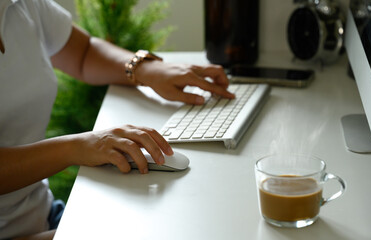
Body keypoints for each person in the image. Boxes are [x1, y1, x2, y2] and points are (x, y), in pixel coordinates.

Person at [0, 0, 234, 239]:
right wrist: (76, 147)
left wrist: (146, 70)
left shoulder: (22, 4)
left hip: (40, 212)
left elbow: (83, 53)